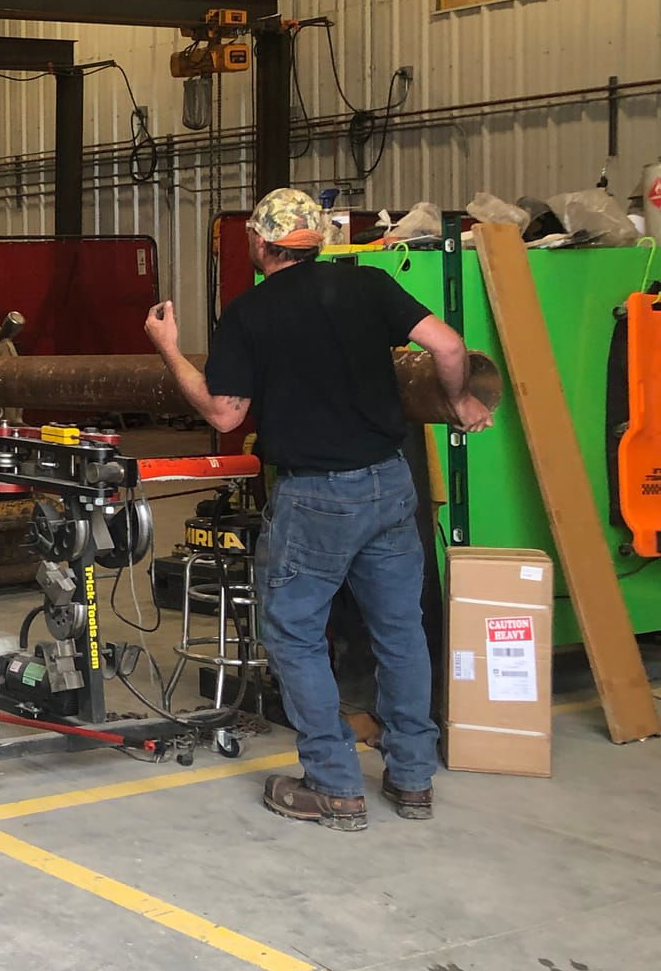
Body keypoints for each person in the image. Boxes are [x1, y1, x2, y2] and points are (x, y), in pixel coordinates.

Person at [143, 188, 492, 833]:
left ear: (259, 244)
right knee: (401, 630)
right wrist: (461, 406)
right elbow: (448, 349)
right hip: (390, 484)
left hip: (317, 497)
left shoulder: (250, 314)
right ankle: (413, 780)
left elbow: (225, 412)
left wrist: (169, 347)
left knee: (295, 634)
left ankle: (335, 788)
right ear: (318, 239)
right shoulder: (366, 286)